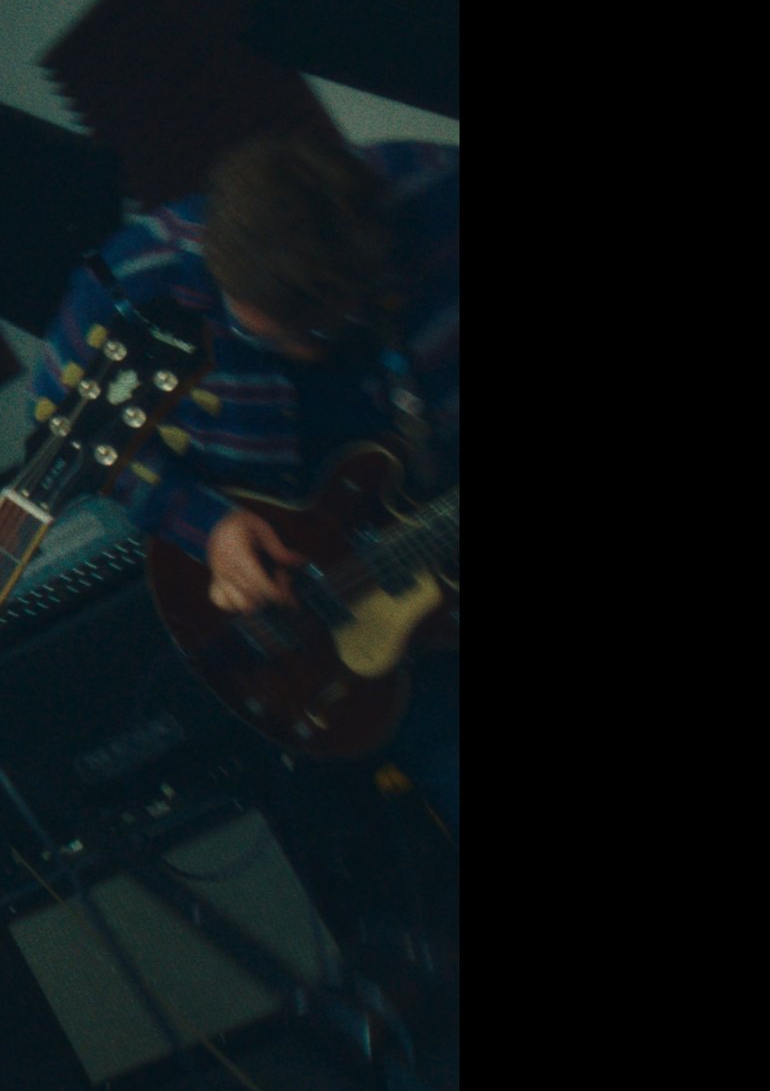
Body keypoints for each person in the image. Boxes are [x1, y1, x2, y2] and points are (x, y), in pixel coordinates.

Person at [30, 131, 459, 830]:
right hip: (320, 628)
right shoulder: (138, 284)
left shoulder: (440, 193)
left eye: (323, 332)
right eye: (267, 337)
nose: (301, 354)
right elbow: (63, 428)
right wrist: (209, 527)